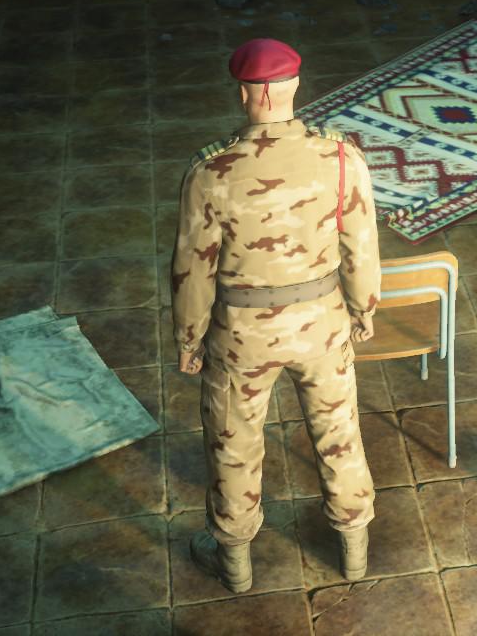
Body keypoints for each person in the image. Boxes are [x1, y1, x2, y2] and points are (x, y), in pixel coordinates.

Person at [172, 37, 381, 592]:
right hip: (322, 324)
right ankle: (354, 551)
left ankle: (235, 564)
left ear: (243, 93)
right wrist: (364, 308)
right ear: (295, 87)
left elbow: (193, 269)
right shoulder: (341, 157)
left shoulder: (211, 170)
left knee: (233, 442)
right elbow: (361, 244)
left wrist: (189, 339)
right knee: (339, 433)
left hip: (241, 335)